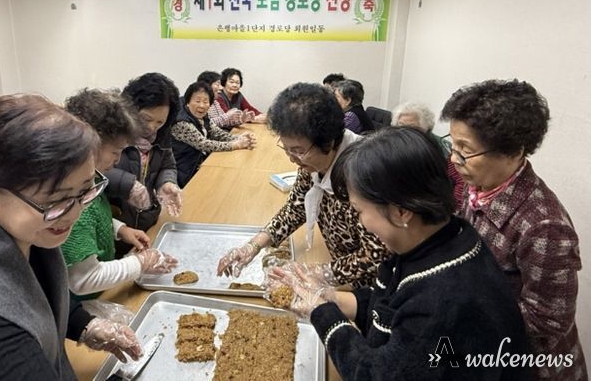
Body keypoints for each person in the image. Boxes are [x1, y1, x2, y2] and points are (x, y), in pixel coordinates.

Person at [271, 127, 532, 380]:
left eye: (359, 211)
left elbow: (375, 374)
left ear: (400, 212)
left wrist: (321, 312)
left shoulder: (442, 300)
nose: (361, 224)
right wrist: (329, 297)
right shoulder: (435, 238)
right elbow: (388, 307)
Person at [0, 94, 142, 380]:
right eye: (56, 200)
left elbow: (33, 289)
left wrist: (84, 325)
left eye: (85, 190)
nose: (75, 214)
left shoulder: (18, 220)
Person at [441, 79, 586, 381]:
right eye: (453, 145)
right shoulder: (478, 185)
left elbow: (546, 324)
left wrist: (460, 309)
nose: (454, 159)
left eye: (465, 150)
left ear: (512, 151)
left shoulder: (544, 226)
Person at [217, 83, 387, 289]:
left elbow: (376, 254)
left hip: (369, 289)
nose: (292, 159)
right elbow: (295, 208)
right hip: (339, 274)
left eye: (298, 151)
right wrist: (253, 245)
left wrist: (319, 273)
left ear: (328, 141)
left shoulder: (366, 172)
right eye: (286, 149)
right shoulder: (312, 163)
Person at [62, 89, 178, 300]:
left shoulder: (92, 179)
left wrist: (119, 229)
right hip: (84, 301)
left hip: (104, 291)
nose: (118, 160)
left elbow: (96, 217)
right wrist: (140, 263)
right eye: (116, 152)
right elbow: (83, 279)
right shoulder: (74, 203)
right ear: (90, 145)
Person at [106, 73, 183, 253]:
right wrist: (128, 184)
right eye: (146, 119)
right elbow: (94, 170)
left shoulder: (162, 135)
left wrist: (166, 183)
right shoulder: (112, 133)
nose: (152, 127)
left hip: (145, 222)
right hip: (115, 225)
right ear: (131, 109)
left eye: (160, 122)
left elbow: (167, 165)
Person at [171, 82, 256, 187]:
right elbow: (204, 144)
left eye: (205, 101)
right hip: (185, 173)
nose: (201, 105)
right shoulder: (182, 122)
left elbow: (217, 133)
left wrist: (239, 138)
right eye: (197, 101)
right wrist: (236, 145)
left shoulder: (203, 117)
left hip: (200, 165)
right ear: (187, 102)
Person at [391, 100, 464, 205]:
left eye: (412, 128)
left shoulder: (442, 149)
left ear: (427, 129)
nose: (405, 132)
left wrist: (451, 207)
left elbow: (460, 182)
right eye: (400, 126)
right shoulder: (393, 142)